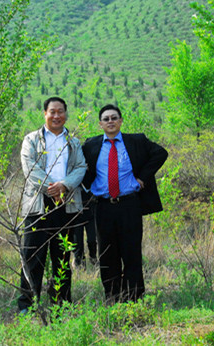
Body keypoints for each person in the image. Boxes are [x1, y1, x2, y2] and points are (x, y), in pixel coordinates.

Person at [82, 104, 168, 303]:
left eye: (114, 118)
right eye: (106, 119)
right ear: (100, 124)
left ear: (120, 121)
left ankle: (134, 298)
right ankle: (112, 297)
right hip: (103, 206)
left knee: (131, 252)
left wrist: (142, 178)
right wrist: (88, 185)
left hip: (129, 205)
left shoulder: (135, 140)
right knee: (107, 254)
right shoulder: (91, 145)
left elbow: (160, 153)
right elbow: (79, 166)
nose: (110, 121)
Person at [18, 96, 87, 312]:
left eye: (60, 112)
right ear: (44, 114)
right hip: (38, 206)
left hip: (65, 206)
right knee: (32, 257)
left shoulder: (73, 142)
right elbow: (30, 168)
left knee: (62, 259)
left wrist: (64, 186)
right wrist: (52, 188)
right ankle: (27, 308)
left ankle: (62, 305)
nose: (56, 116)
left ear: (66, 114)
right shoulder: (31, 139)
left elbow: (81, 167)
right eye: (52, 111)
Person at [72, 190, 97, 267]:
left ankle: (93, 257)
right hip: (76, 212)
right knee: (77, 242)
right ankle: (79, 263)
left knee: (92, 239)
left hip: (91, 211)